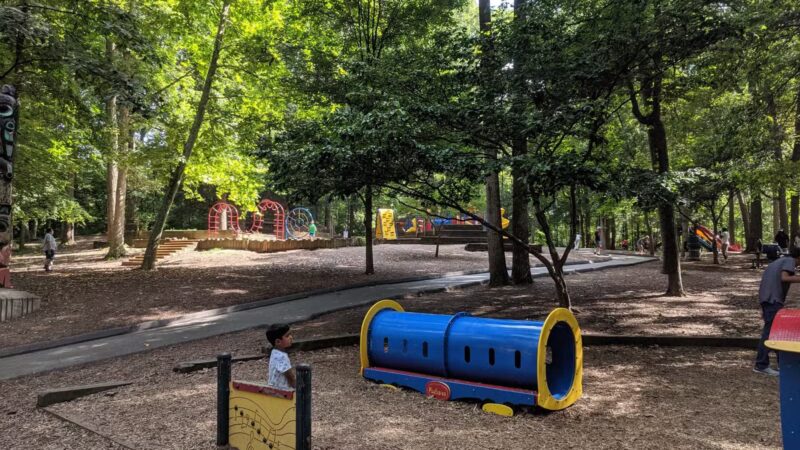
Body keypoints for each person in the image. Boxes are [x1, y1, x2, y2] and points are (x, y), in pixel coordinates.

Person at [754, 247, 800, 376]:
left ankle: (783, 364)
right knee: (769, 333)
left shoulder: (779, 261)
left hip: (769, 299)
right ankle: (761, 364)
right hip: (773, 300)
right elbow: (784, 278)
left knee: (777, 332)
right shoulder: (789, 261)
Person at [266, 323, 296, 389]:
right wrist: (299, 390)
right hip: (282, 393)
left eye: (290, 334)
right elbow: (290, 377)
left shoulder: (274, 352)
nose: (291, 337)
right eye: (287, 336)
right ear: (278, 342)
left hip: (273, 388)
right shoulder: (281, 357)